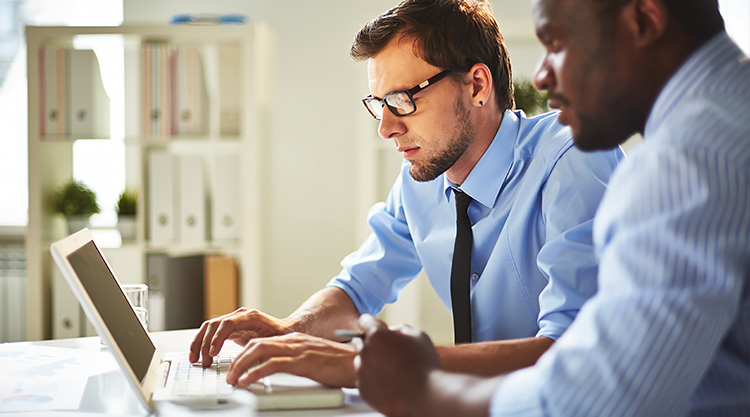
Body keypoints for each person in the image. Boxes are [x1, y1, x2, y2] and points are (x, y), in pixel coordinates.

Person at [189, 0, 623, 388]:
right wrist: (290, 329)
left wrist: (363, 365)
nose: (386, 127)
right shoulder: (423, 180)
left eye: (401, 100)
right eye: (379, 104)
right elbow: (358, 289)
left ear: (476, 86)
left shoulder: (575, 156)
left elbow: (571, 351)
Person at [354, 0, 750, 415]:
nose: (541, 77)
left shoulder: (688, 161)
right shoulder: (724, 123)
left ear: (644, 20)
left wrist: (421, 388)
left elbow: (602, 395)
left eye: (557, 43)